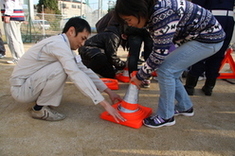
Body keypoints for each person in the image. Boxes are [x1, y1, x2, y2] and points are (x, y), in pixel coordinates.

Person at [115, 0, 225, 128]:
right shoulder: (154, 13)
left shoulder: (162, 13)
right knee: (170, 70)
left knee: (165, 70)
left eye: (129, 19)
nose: (129, 24)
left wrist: (140, 76)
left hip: (207, 39)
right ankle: (185, 107)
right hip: (202, 38)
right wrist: (145, 72)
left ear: (139, 11)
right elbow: (160, 48)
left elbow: (159, 53)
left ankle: (165, 116)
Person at [9, 17, 125, 123]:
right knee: (62, 68)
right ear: (71, 31)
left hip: (28, 85)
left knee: (70, 66)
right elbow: (75, 73)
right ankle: (38, 109)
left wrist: (109, 92)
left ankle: (41, 103)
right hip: (21, 90)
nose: (83, 43)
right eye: (82, 38)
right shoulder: (58, 44)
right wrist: (104, 104)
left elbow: (84, 70)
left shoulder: (64, 46)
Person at [184, 0, 235, 96]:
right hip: (229, 20)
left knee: (201, 52)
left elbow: (196, 6)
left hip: (211, 18)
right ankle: (209, 87)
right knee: (219, 54)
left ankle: (190, 86)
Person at [79, 10, 126, 78]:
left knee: (110, 69)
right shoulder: (113, 36)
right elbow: (112, 56)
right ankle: (92, 72)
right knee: (110, 74)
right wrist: (124, 65)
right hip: (92, 54)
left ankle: (93, 70)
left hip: (88, 53)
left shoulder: (111, 33)